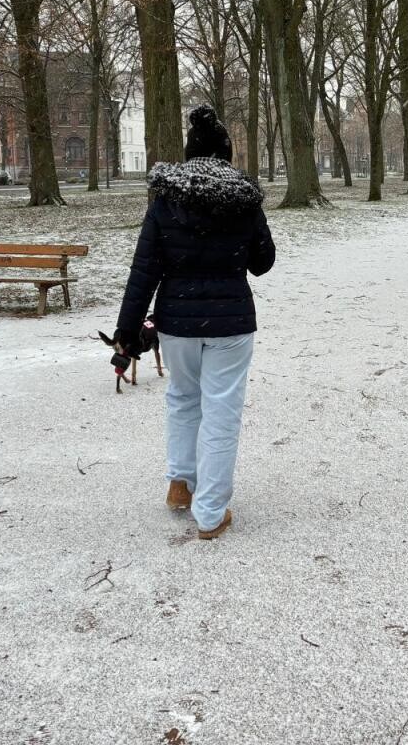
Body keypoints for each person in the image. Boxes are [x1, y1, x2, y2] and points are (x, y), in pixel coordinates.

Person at [113, 105, 275, 540]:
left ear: (190, 155)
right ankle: (211, 511)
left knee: (183, 399)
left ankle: (181, 484)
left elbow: (143, 269)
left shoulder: (167, 201)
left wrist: (126, 333)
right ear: (226, 154)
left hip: (177, 322)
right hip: (231, 324)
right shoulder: (243, 199)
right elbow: (263, 262)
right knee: (221, 412)